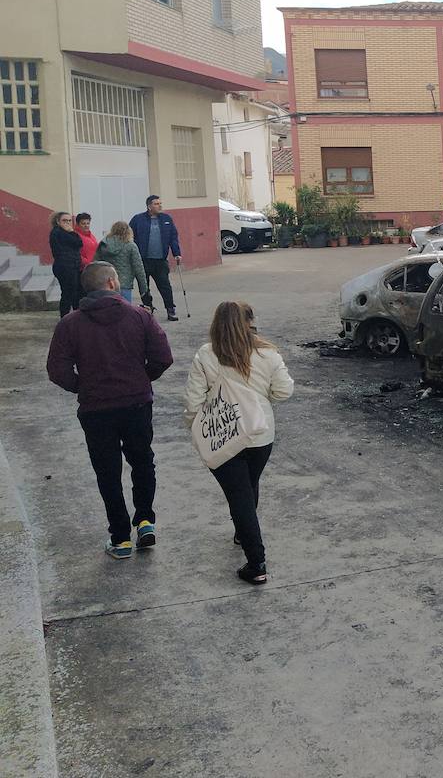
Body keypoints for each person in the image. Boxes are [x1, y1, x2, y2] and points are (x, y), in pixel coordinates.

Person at [46, 261, 173, 559]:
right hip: (136, 403)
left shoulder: (70, 324)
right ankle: (145, 521)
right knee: (143, 462)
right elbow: (163, 357)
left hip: (96, 409)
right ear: (113, 283)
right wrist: (142, 378)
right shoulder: (139, 316)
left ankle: (120, 539)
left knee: (108, 472)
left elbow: (57, 369)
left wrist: (83, 386)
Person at [185, 302, 293, 585]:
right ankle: (242, 531)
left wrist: (198, 431)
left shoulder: (206, 355)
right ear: (251, 322)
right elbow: (284, 390)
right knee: (248, 484)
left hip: (223, 436)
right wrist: (261, 398)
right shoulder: (268, 353)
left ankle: (256, 563)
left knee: (239, 495)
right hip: (260, 434)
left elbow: (193, 401)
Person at [130, 194, 181, 322]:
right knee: (144, 286)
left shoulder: (166, 219)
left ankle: (170, 309)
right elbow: (129, 236)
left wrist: (177, 253)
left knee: (165, 285)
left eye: (160, 203)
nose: (159, 206)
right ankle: (148, 307)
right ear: (149, 206)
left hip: (160, 260)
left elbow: (173, 238)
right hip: (143, 260)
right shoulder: (138, 219)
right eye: (156, 204)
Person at [95, 221, 150, 306]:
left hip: (106, 284)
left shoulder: (103, 244)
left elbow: (95, 264)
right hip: (125, 285)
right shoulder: (131, 246)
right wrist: (144, 289)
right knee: (125, 313)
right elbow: (139, 269)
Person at [48, 211, 83, 317]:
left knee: (75, 292)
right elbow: (76, 242)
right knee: (68, 293)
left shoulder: (66, 232)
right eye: (64, 220)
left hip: (73, 266)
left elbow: (79, 243)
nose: (67, 223)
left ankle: (75, 316)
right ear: (58, 222)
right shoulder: (57, 232)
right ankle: (65, 317)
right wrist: (72, 232)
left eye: (69, 220)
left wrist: (72, 232)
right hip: (64, 267)